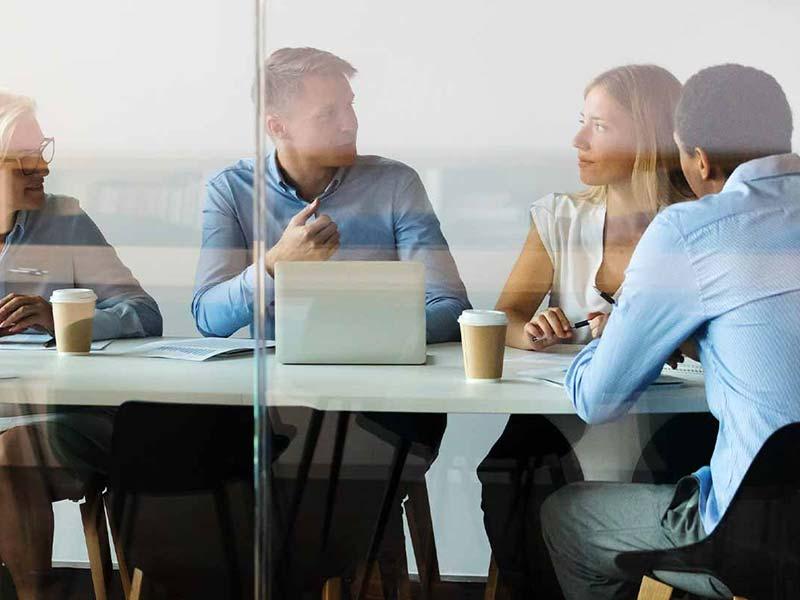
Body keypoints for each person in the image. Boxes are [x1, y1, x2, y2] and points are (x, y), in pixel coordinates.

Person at [191, 47, 470, 597]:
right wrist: (274, 267)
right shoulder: (231, 190)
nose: (350, 122)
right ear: (277, 126)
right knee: (177, 449)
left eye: (350, 105)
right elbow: (208, 316)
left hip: (385, 405)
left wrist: (352, 322)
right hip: (278, 406)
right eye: (329, 113)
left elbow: (449, 306)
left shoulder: (396, 184)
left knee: (319, 469)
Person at [541, 64, 800, 600]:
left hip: (767, 540)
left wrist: (610, 341)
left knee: (569, 517)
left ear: (699, 159)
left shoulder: (692, 230)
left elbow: (598, 399)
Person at [478, 65, 695, 598]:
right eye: (583, 122)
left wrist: (648, 336)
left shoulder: (701, 225)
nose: (577, 140)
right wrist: (533, 331)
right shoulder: (559, 217)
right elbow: (504, 316)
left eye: (598, 126)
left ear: (646, 138)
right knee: (506, 479)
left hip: (670, 420)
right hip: (565, 414)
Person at [0, 91, 163, 599]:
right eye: (23, 158)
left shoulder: (63, 220)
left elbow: (143, 312)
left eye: (42, 151)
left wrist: (61, 320)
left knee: (9, 453)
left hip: (59, 415)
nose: (42, 169)